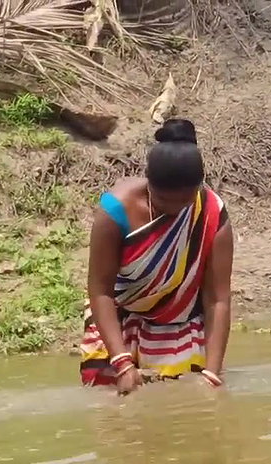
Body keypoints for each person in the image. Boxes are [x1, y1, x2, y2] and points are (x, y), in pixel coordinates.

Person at [79, 118, 235, 395]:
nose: (174, 210)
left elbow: (217, 298)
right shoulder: (116, 211)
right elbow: (100, 290)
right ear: (148, 183)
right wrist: (122, 363)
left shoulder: (211, 212)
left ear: (199, 188)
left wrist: (212, 373)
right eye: (163, 201)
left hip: (182, 326)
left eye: (184, 202)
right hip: (121, 321)